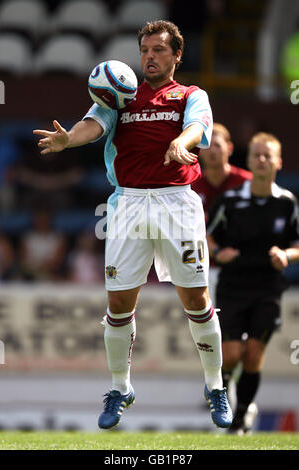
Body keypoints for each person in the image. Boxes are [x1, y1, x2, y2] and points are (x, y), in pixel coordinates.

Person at [33, 20, 232, 430]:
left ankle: (215, 386)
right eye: (145, 50)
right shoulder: (120, 89)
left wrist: (183, 141)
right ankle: (120, 388)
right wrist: (69, 138)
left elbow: (198, 126)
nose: (149, 57)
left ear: (177, 55)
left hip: (177, 203)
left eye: (159, 50)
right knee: (119, 305)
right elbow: (95, 124)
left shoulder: (191, 95)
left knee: (196, 299)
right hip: (127, 206)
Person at [206, 132, 299, 434]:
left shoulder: (287, 202)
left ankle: (242, 415)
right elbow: (205, 238)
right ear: (247, 161)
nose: (261, 160)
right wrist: (220, 252)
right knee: (231, 353)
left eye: (266, 155)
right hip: (232, 285)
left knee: (254, 353)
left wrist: (286, 255)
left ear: (278, 162)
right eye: (256, 155)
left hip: (268, 287)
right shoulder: (230, 201)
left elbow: (297, 244)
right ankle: (221, 392)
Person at [191, 123, 252, 304]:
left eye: (217, 145)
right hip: (201, 269)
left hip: (243, 268)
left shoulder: (248, 183)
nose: (212, 151)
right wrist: (216, 251)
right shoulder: (190, 185)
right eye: (206, 145)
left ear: (230, 148)